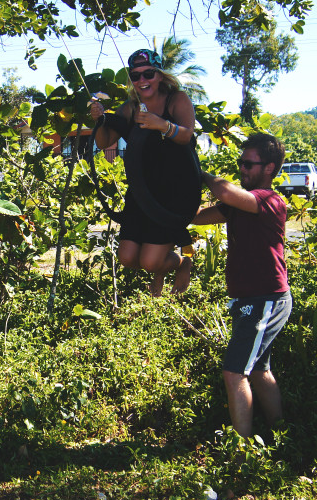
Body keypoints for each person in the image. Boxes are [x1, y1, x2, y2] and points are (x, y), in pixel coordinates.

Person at [192, 133, 291, 440]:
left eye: (249, 164)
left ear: (269, 168)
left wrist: (200, 172)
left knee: (235, 371)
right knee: (259, 370)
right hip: (253, 300)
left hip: (265, 300)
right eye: (241, 163)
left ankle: (242, 452)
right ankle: (280, 432)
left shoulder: (269, 201)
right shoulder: (242, 205)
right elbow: (199, 218)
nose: (242, 169)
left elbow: (224, 191)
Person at [89, 49, 202, 296]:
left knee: (150, 262)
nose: (142, 81)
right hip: (141, 194)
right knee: (127, 257)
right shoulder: (130, 108)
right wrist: (99, 119)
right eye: (136, 76)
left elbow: (186, 136)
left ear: (160, 75)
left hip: (171, 195)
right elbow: (104, 140)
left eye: (148, 74)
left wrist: (162, 125)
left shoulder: (176, 99)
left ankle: (183, 262)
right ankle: (170, 263)